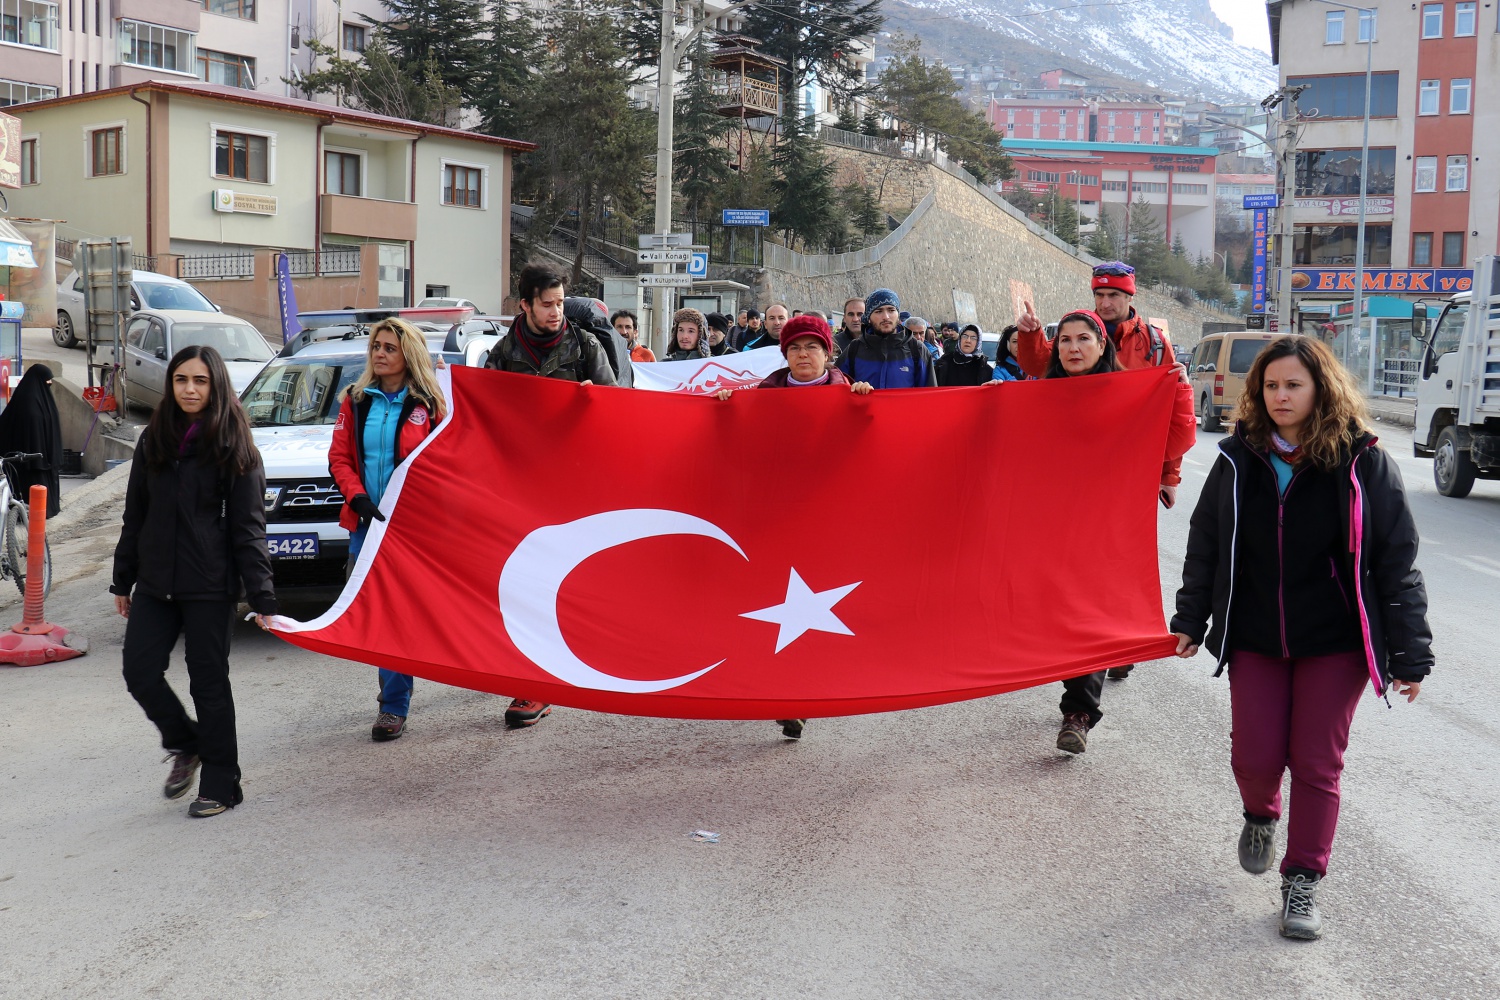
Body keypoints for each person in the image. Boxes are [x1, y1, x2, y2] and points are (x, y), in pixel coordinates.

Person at [1171, 335, 1432, 941]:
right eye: (1271, 386)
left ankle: (1303, 881)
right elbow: (1205, 543)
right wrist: (1191, 619)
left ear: (1321, 389)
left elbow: (1398, 560)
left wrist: (1410, 652)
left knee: (1317, 763)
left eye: (1294, 384)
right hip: (1256, 636)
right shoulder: (1238, 460)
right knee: (1255, 757)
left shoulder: (1363, 461)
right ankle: (1261, 813)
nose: (1281, 395)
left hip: (1335, 643)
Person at [112, 345, 275, 819]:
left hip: (209, 583)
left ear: (215, 385)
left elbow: (249, 528)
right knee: (139, 672)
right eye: (182, 379)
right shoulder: (154, 439)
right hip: (156, 581)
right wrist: (122, 581)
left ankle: (223, 784)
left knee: (208, 683)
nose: (189, 389)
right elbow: (135, 514)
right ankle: (187, 742)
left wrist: (261, 595)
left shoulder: (234, 443)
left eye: (200, 381)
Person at [1037, 310, 1195, 756]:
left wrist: (1179, 389)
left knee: (1089, 610)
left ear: (1102, 345)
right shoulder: (1040, 397)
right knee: (1062, 610)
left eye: (1083, 339)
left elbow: (1176, 439)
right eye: (1064, 340)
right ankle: (1108, 656)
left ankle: (1078, 711)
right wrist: (994, 403)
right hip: (1053, 525)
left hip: (1109, 525)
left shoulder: (1132, 394)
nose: (1072, 348)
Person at [714, 315, 872, 739]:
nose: (804, 356)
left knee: (815, 609)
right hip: (776, 516)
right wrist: (729, 404)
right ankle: (786, 695)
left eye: (812, 348)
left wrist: (864, 404)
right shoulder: (763, 394)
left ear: (828, 353)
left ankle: (802, 695)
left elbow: (869, 447)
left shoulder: (850, 393)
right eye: (796, 349)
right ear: (785, 355)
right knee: (777, 607)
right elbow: (737, 438)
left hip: (827, 519)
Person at [484, 261, 616, 726]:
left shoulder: (587, 346)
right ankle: (531, 684)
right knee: (524, 585)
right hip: (521, 491)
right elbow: (487, 423)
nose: (556, 311)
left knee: (574, 582)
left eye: (560, 303)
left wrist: (591, 402)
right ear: (525, 305)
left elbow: (618, 409)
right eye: (547, 304)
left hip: (574, 487)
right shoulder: (501, 355)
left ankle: (577, 658)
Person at [328, 318, 448, 743]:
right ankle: (393, 704)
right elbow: (339, 458)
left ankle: (405, 697)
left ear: (407, 355)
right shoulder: (355, 400)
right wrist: (357, 496)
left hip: (413, 531)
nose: (379, 353)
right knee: (383, 615)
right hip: (366, 526)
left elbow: (442, 466)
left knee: (414, 614)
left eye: (389, 348)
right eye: (376, 346)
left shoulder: (429, 405)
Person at [839, 289, 938, 389]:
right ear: (869, 317)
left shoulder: (917, 350)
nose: (886, 317)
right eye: (878, 311)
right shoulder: (854, 350)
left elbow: (930, 396)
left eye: (891, 310)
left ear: (898, 315)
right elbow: (837, 389)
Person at [0, 363, 63, 518]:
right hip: (30, 461)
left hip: (41, 458)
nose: (49, 384)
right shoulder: (28, 405)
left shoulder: (40, 399)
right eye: (47, 380)